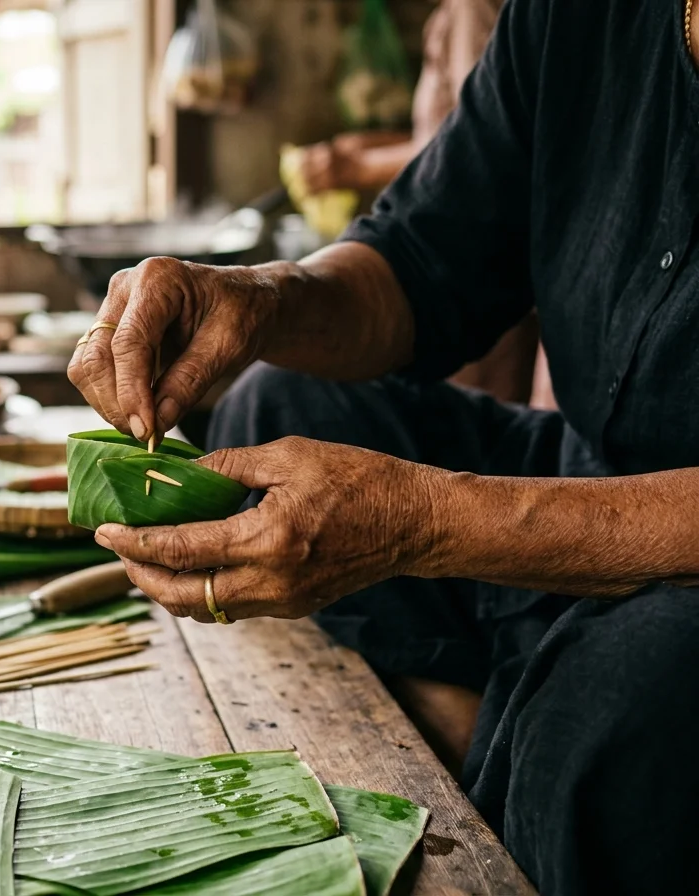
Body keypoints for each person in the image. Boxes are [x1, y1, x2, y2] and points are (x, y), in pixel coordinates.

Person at [67, 1, 699, 893]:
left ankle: (519, 731)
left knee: (615, 702)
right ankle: (505, 719)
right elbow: (418, 264)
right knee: (278, 402)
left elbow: (432, 516)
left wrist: (428, 522)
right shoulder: (576, 18)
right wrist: (261, 297)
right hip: (594, 471)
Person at [304, 0, 540, 404]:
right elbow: (440, 136)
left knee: (474, 439)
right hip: (462, 258)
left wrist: (360, 166)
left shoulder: (473, 10)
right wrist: (364, 149)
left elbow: (474, 153)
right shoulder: (451, 15)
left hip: (467, 263)